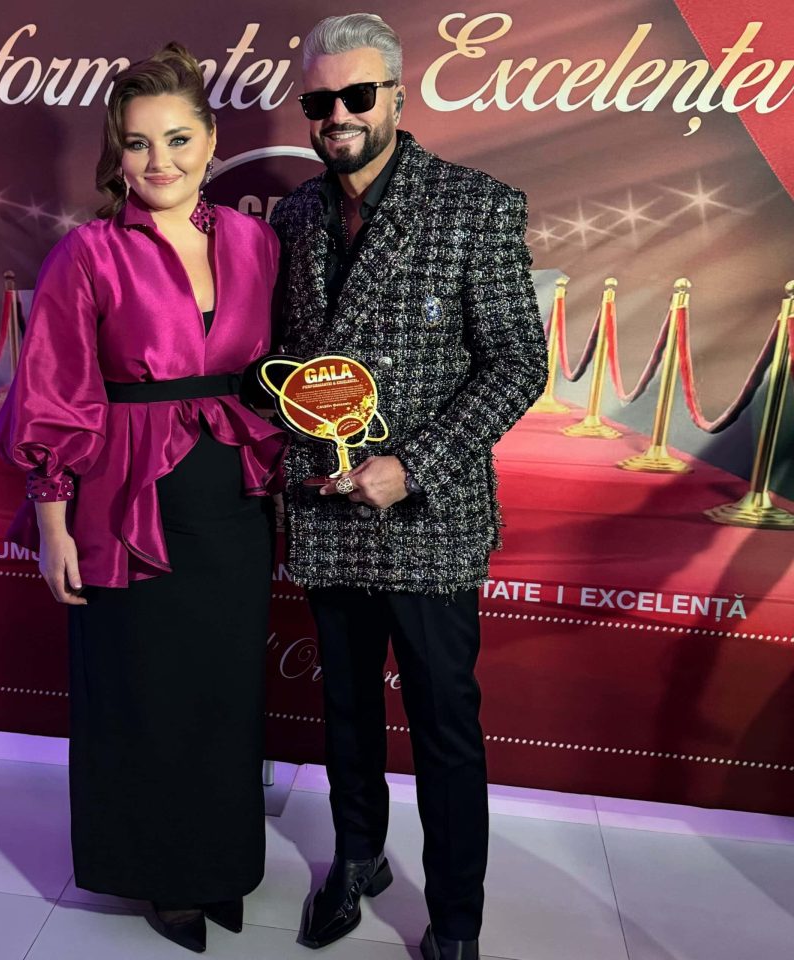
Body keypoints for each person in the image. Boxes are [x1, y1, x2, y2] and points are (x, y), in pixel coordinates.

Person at [0, 43, 285, 956]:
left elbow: (275, 371)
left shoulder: (256, 240)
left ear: (210, 141)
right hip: (122, 497)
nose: (158, 161)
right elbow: (52, 392)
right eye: (136, 144)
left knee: (223, 690)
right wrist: (52, 521)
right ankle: (160, 873)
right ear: (115, 155)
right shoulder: (88, 252)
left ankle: (219, 864)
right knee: (141, 690)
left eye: (177, 139)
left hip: (232, 496)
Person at [269, 14, 548, 960]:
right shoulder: (296, 216)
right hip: (327, 508)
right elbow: (287, 362)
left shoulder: (478, 205)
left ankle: (456, 923)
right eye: (320, 102)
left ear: (396, 94)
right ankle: (357, 860)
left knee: (444, 727)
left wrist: (413, 465)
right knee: (344, 708)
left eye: (355, 96)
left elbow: (518, 364)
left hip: (429, 517)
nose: (337, 116)